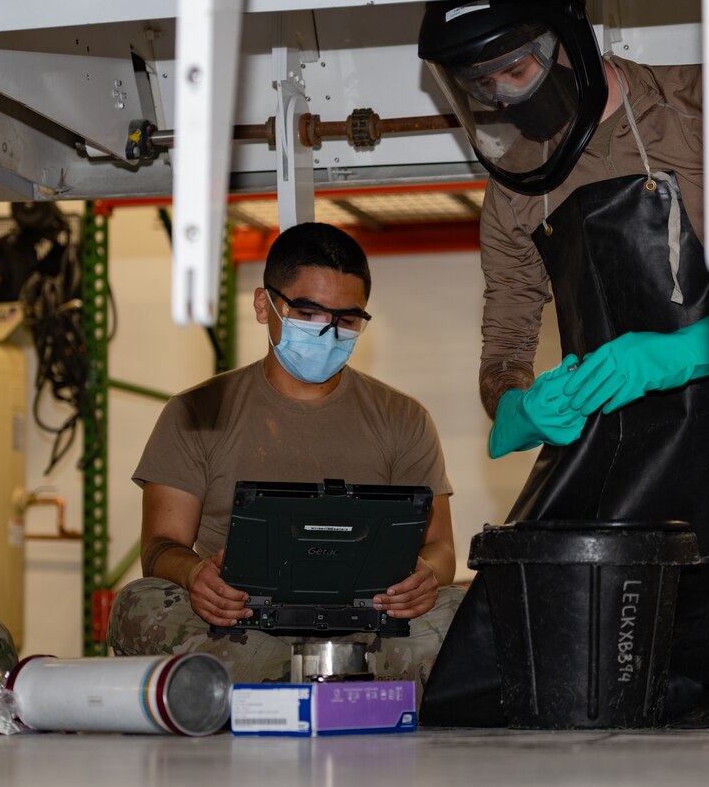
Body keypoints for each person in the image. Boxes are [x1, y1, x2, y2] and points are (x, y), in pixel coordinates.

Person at [416, 0, 709, 728]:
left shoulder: (707, 107)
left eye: (514, 67)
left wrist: (685, 351)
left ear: (569, 44)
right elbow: (506, 335)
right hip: (620, 425)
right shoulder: (516, 182)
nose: (501, 92)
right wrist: (519, 403)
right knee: (504, 668)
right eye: (479, 85)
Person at [108, 223, 463, 694]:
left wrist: (425, 577)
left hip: (368, 623)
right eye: (309, 313)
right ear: (265, 305)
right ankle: (344, 682)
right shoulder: (196, 412)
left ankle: (264, 685)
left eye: (348, 319)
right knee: (139, 602)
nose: (329, 332)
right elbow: (159, 547)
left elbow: (441, 550)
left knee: (470, 607)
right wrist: (195, 575)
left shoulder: (403, 418)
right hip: (241, 624)